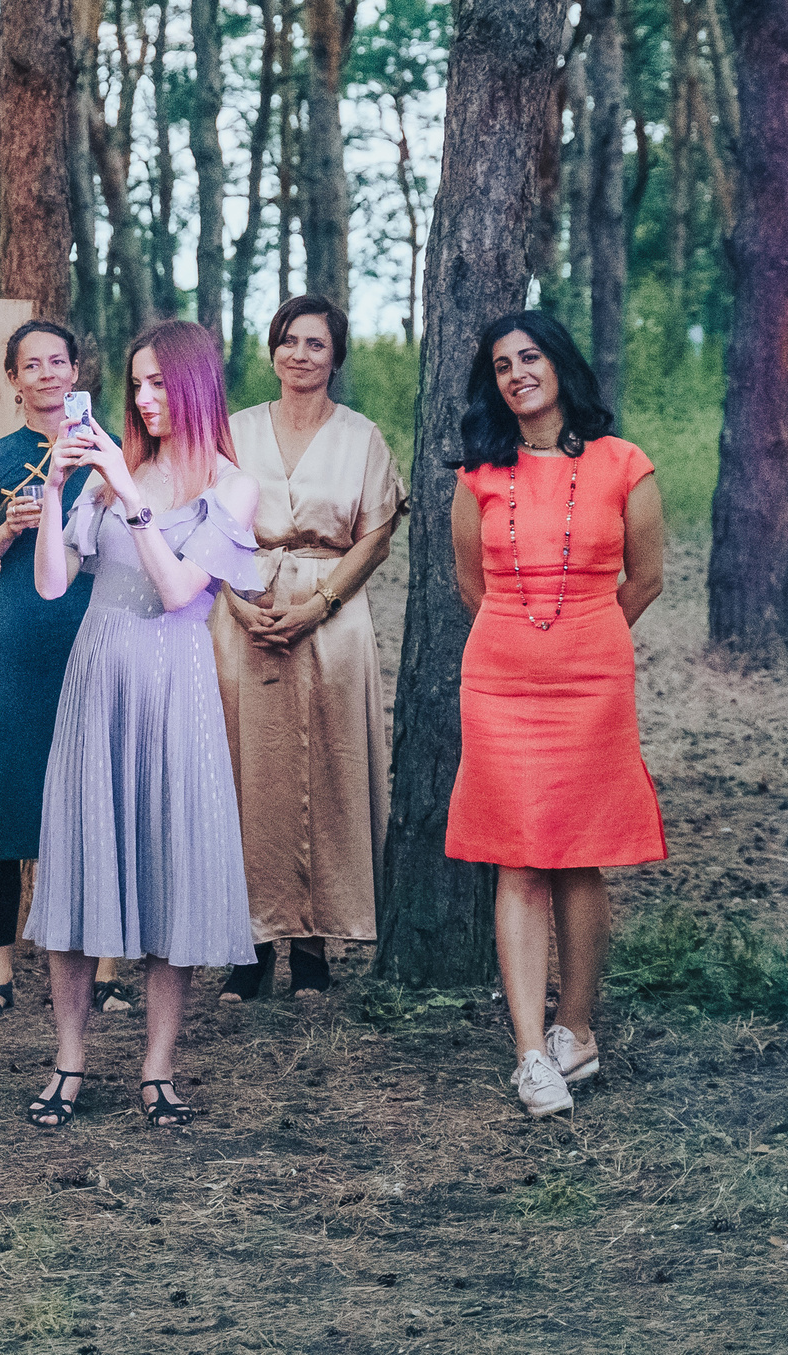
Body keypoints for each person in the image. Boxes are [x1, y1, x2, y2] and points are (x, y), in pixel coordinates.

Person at [25, 319, 262, 1130]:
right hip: (97, 677)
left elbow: (178, 591)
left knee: (170, 866)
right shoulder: (108, 473)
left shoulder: (231, 487)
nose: (145, 398)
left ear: (195, 385)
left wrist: (132, 498)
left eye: (160, 382)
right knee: (79, 861)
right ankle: (69, 1059)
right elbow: (52, 585)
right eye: (136, 383)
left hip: (175, 685)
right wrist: (58, 489)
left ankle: (158, 1066)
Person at [444, 309, 667, 1117]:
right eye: (502, 365)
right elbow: (471, 584)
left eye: (530, 357)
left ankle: (577, 1029)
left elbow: (646, 577)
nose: (517, 374)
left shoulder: (625, 464)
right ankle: (530, 1053)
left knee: (580, 853)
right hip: (499, 684)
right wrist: (524, 638)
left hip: (593, 682)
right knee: (520, 856)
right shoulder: (478, 475)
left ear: (560, 365)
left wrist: (584, 635)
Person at [212, 294, 402, 1001]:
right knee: (247, 772)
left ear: (335, 356)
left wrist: (317, 606)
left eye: (316, 343)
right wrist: (239, 602)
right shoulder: (234, 432)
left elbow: (375, 536)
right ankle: (250, 945)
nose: (300, 354)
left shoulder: (361, 436)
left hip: (332, 614)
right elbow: (208, 524)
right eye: (288, 340)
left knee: (328, 770)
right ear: (272, 351)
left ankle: (316, 945)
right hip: (246, 608)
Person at [0, 319, 97, 1020]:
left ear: (75, 372)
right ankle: (0, 971)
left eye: (57, 361)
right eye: (31, 364)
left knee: (92, 803)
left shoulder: (108, 450)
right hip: (10, 650)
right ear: (12, 379)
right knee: (4, 806)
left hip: (86, 642)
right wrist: (8, 529)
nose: (47, 374)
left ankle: (103, 967)